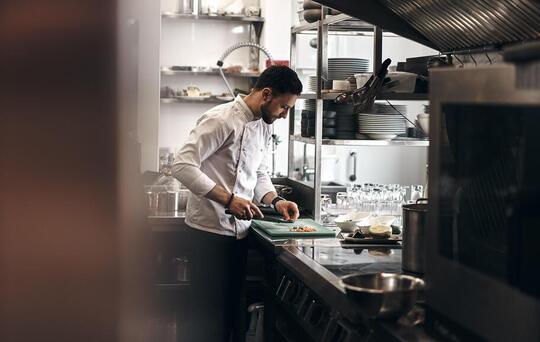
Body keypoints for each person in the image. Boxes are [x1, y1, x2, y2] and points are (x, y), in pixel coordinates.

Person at [172, 65, 303, 342]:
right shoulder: (221, 119)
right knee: (204, 318)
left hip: (240, 234)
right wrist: (228, 199)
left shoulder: (264, 126)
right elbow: (182, 165)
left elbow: (258, 172)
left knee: (230, 317)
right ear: (266, 94)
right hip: (207, 233)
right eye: (284, 106)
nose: (284, 114)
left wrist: (276, 200)